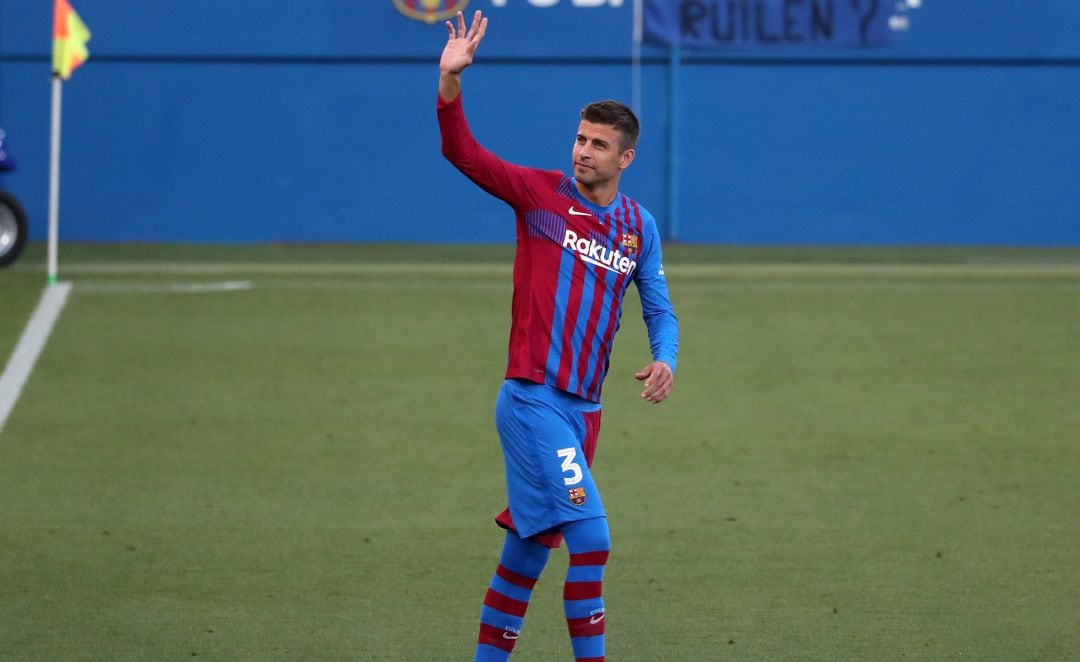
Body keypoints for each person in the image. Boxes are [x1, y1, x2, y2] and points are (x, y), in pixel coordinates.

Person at [437, 11, 679, 662]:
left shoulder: (636, 226)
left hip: (585, 415)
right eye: (579, 139)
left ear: (625, 157)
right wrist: (450, 84)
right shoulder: (539, 197)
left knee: (528, 552)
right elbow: (463, 154)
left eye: (598, 145)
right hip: (532, 401)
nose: (582, 151)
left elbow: (659, 305)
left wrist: (666, 359)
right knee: (591, 538)